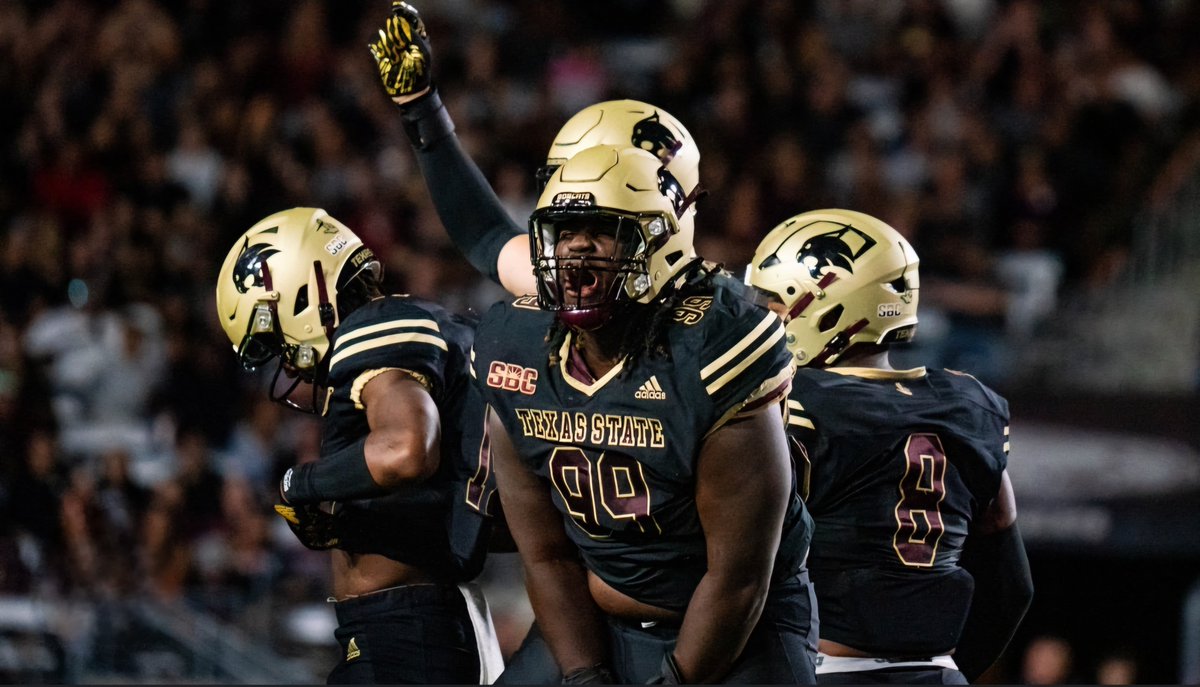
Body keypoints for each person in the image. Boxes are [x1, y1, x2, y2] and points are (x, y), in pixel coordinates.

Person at [745, 208, 1035, 684]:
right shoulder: (968, 402)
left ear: (829, 308)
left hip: (822, 668)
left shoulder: (795, 406)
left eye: (775, 308)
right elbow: (1012, 587)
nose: (761, 323)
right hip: (938, 672)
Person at [215, 207, 503, 684]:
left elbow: (408, 448)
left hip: (407, 632)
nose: (288, 365)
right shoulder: (429, 323)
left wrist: (299, 483)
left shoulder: (373, 327)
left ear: (304, 294)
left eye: (276, 337)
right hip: (422, 622)